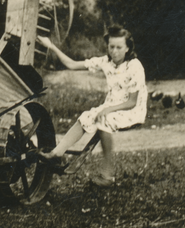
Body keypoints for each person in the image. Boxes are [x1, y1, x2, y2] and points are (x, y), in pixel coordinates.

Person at [38, 27, 148, 186]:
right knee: (86, 116)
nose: (114, 51)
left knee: (104, 119)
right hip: (111, 106)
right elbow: (72, 65)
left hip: (132, 109)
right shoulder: (105, 61)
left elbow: (132, 102)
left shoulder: (135, 66)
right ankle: (56, 153)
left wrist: (107, 110)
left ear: (128, 48)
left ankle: (108, 176)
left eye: (119, 47)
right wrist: (51, 46)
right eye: (111, 47)